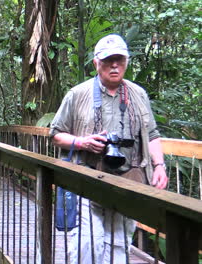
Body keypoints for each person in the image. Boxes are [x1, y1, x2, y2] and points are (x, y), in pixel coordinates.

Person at [49, 34, 168, 263]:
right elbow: (55, 135)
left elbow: (152, 134)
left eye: (119, 60)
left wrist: (159, 165)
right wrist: (82, 142)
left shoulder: (138, 95)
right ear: (96, 63)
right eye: (108, 60)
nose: (114, 65)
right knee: (87, 247)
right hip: (86, 181)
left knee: (119, 246)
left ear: (126, 62)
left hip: (127, 182)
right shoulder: (78, 94)